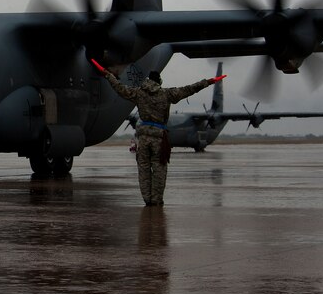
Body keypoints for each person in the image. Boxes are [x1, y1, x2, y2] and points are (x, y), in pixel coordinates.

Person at [91, 59, 226, 206]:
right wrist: (209, 81)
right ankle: (157, 200)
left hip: (143, 138)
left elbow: (119, 87)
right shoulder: (166, 94)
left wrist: (107, 74)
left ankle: (147, 200)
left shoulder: (138, 93)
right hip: (159, 137)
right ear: (159, 81)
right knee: (159, 169)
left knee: (143, 170)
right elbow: (189, 89)